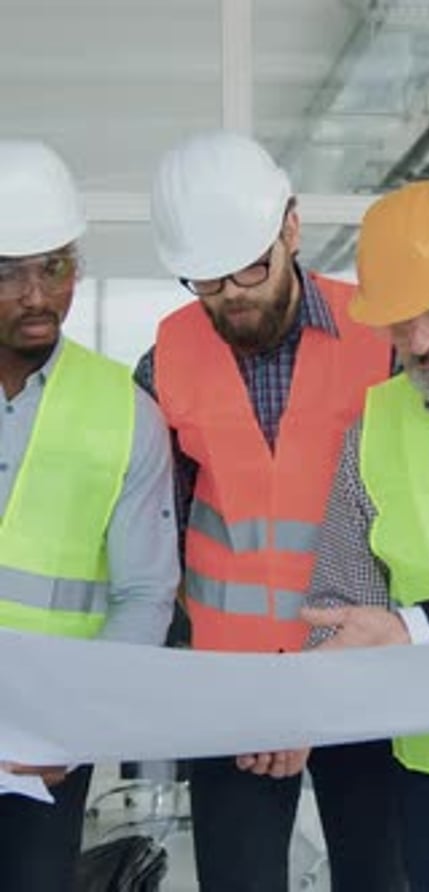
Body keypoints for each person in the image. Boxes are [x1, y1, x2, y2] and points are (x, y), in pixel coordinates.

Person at [135, 129, 406, 892]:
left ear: (290, 228)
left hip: (366, 674)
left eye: (249, 268)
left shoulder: (385, 340)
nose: (232, 294)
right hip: (236, 693)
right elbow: (157, 533)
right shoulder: (167, 358)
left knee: (382, 879)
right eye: (207, 279)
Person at [302, 178, 429, 891]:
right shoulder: (375, 428)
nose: (419, 343)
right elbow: (342, 607)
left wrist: (411, 630)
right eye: (397, 322)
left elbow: (396, 628)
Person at [0, 139, 180, 892]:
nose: (37, 295)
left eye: (55, 267)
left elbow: (144, 593)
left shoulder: (126, 412)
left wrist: (73, 724)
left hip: (47, 748)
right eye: (8, 272)